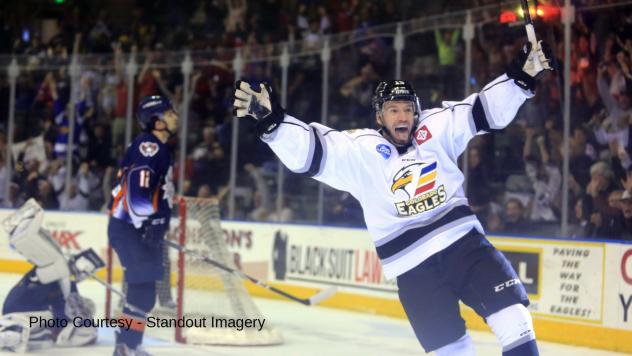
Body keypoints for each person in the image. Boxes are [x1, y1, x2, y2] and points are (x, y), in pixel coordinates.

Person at [234, 40, 552, 355]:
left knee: (516, 319)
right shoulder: (361, 151)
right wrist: (275, 125)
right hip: (413, 269)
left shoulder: (437, 126)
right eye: (393, 110)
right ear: (379, 117)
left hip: (464, 246)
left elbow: (484, 109)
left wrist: (519, 79)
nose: (403, 116)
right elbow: (313, 152)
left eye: (408, 109)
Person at [108, 95, 177, 356]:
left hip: (136, 230)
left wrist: (157, 221)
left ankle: (128, 344)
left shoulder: (157, 147)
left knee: (144, 294)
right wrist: (152, 221)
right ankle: (126, 346)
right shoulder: (150, 147)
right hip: (131, 230)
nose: (175, 117)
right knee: (141, 293)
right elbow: (137, 192)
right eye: (169, 113)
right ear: (156, 121)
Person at [0, 199, 100, 352]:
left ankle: (11, 333)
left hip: (19, 314)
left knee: (57, 264)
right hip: (17, 314)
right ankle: (10, 333)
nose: (80, 307)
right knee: (57, 264)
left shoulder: (60, 279)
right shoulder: (60, 277)